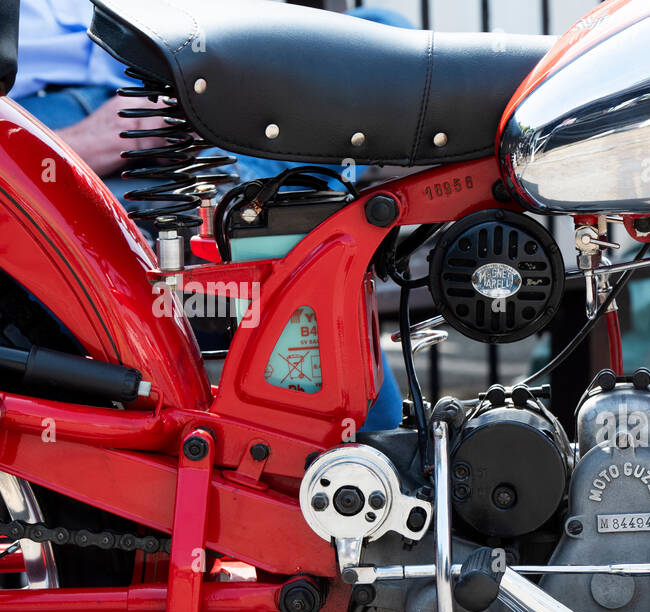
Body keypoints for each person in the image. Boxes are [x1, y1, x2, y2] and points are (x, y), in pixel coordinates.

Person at [10, 0, 403, 429]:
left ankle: (252, 193)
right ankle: (249, 200)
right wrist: (83, 143)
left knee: (386, 34)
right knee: (281, 228)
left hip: (177, 81)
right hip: (36, 121)